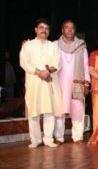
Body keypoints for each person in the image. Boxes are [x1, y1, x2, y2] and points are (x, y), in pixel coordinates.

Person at [19, 18, 63, 148]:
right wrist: (40, 73)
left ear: (49, 31)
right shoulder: (28, 45)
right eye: (41, 27)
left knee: (49, 111)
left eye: (47, 28)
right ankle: (35, 139)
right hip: (34, 83)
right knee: (34, 111)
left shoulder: (53, 46)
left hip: (49, 82)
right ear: (36, 30)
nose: (44, 30)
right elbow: (24, 62)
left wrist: (47, 72)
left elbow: (58, 62)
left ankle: (48, 139)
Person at [54, 20, 90, 144]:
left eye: (72, 28)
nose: (69, 30)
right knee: (59, 110)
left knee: (78, 109)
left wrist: (86, 83)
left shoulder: (81, 46)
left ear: (75, 30)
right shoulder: (54, 45)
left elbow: (85, 65)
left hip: (77, 83)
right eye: (66, 27)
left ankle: (78, 136)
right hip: (60, 83)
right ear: (62, 30)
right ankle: (59, 137)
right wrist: (26, 44)